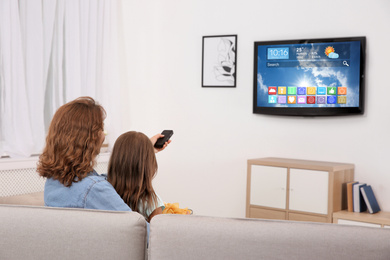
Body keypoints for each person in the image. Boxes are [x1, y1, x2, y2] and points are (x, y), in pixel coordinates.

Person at [37, 96, 168, 211]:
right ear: (87, 138)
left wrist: (144, 150)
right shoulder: (94, 189)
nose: (103, 135)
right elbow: (139, 229)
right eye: (101, 129)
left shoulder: (53, 182)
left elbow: (109, 179)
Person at [107, 131, 165, 222]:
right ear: (148, 166)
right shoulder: (151, 201)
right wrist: (147, 152)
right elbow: (157, 233)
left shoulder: (107, 192)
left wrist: (147, 149)